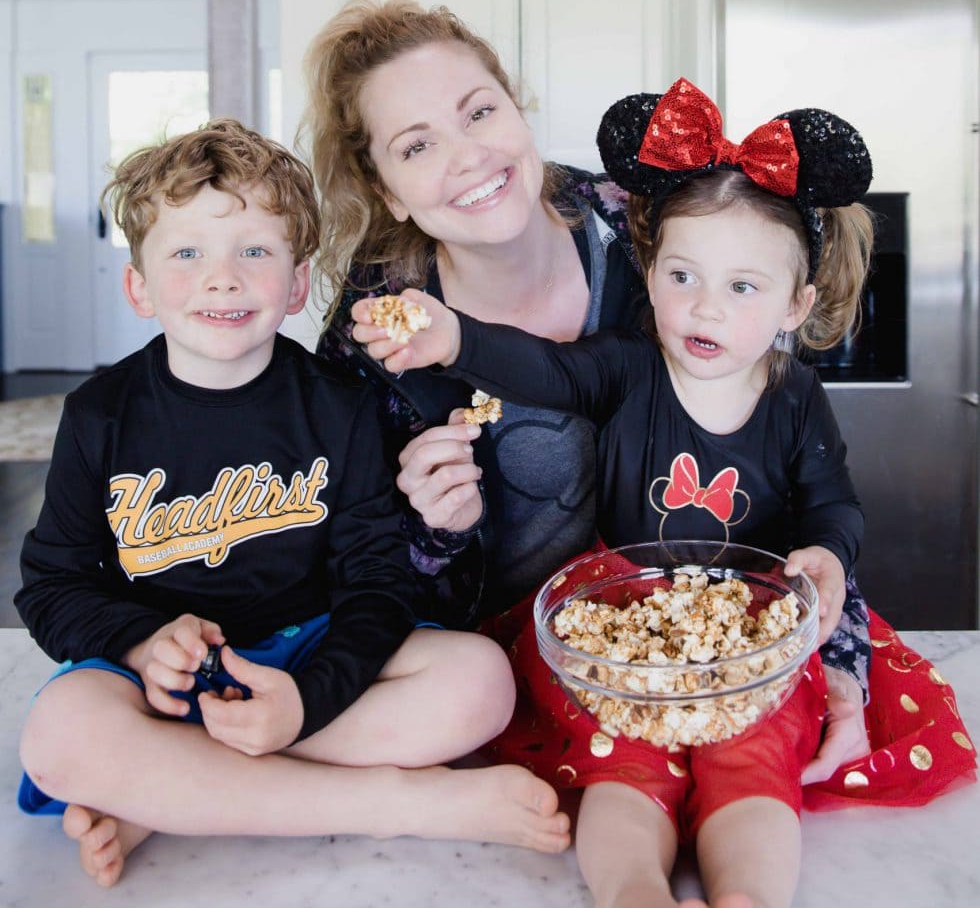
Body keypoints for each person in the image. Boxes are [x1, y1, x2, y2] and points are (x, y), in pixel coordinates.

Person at [351, 78, 977, 908]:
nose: (703, 307)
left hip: (756, 622)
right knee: (624, 760)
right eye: (682, 275)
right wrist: (452, 335)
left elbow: (834, 503)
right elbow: (542, 368)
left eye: (742, 288)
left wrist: (826, 554)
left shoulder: (794, 398)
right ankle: (633, 892)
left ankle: (747, 894)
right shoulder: (625, 365)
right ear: (649, 273)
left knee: (755, 763)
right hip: (621, 623)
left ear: (796, 303)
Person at [306, 0, 873, 778]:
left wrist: (838, 659)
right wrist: (433, 533)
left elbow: (783, 479)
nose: (467, 155)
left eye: (479, 111)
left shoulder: (650, 230)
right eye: (416, 145)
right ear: (388, 190)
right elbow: (339, 571)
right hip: (496, 690)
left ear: (517, 107)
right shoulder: (376, 330)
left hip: (693, 656)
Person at [14, 119, 570, 889]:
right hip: (160, 685)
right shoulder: (100, 415)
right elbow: (51, 585)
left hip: (310, 652)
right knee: (59, 734)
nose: (223, 277)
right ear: (138, 285)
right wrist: (141, 644)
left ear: (299, 283)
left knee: (480, 682)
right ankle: (395, 802)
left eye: (255, 251)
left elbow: (378, 582)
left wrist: (307, 700)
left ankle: (175, 794)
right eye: (186, 254)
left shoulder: (336, 406)